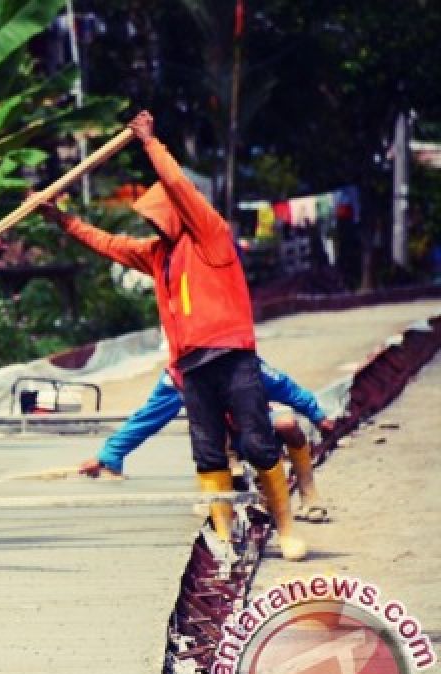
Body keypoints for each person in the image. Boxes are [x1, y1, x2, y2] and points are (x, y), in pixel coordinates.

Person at [39, 110, 307, 560]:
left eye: (158, 218)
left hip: (231, 356)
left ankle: (285, 528)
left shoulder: (210, 237)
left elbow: (181, 188)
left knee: (259, 443)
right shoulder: (157, 254)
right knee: (208, 454)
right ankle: (222, 535)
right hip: (191, 367)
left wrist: (149, 143)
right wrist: (62, 220)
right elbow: (109, 244)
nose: (153, 227)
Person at [79, 360, 335, 522]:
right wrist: (109, 456)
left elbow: (289, 390)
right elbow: (147, 419)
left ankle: (308, 493)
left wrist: (319, 416)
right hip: (217, 444)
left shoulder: (245, 365)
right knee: (211, 434)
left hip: (253, 432)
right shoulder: (178, 378)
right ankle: (220, 494)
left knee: (286, 423)